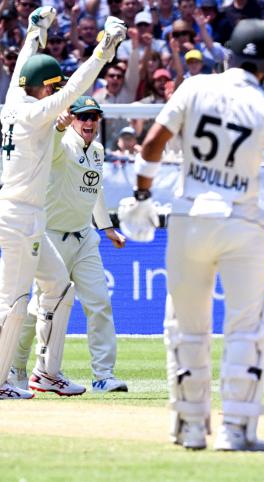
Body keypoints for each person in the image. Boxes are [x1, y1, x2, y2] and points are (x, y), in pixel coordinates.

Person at [116, 19, 264, 451]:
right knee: (245, 328)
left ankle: (190, 426)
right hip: (241, 223)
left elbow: (152, 143)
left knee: (186, 326)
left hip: (188, 216)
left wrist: (140, 195)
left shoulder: (194, 88)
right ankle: (237, 430)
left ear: (227, 54)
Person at [0, 9, 126, 400]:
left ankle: (46, 373)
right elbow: (73, 90)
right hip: (18, 215)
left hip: (29, 215)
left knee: (59, 287)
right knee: (16, 301)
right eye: (50, 85)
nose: (54, 91)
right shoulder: (36, 114)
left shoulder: (15, 96)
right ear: (42, 88)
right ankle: (2, 380)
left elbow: (25, 63)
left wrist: (36, 30)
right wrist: (104, 51)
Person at [9, 96, 128, 393]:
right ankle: (16, 368)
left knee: (100, 303)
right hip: (51, 236)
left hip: (84, 236)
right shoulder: (61, 145)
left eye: (93, 117)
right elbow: (51, 145)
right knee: (36, 309)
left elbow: (95, 189)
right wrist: (59, 127)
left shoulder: (98, 150)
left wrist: (108, 227)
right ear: (73, 119)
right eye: (83, 117)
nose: (88, 123)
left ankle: (104, 375)